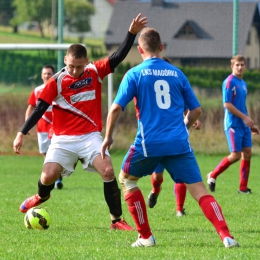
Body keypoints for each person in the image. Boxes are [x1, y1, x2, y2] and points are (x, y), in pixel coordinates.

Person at [101, 27, 239, 248]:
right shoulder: (177, 73)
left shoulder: (134, 74)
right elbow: (196, 110)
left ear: (140, 49)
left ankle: (145, 237)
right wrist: (184, 126)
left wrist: (108, 137)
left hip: (149, 144)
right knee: (200, 190)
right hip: (178, 143)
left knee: (127, 180)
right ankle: (226, 236)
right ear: (161, 47)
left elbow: (116, 108)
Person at [13, 13, 148, 231]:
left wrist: (131, 33)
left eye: (79, 66)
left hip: (90, 137)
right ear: (65, 60)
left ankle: (116, 220)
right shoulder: (56, 81)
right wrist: (22, 132)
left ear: (86, 61)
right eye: (71, 66)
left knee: (108, 172)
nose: (75, 71)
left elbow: (118, 56)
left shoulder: (95, 71)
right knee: (47, 177)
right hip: (63, 139)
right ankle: (41, 196)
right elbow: (39, 108)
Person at [207, 55, 259, 193]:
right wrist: (244, 118)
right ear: (232, 66)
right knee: (236, 155)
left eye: (242, 65)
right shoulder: (229, 82)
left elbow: (242, 105)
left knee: (247, 152)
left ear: (245, 66)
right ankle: (212, 175)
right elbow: (227, 104)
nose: (240, 67)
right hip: (233, 124)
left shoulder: (244, 84)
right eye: (237, 65)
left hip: (243, 124)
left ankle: (243, 188)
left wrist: (250, 122)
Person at [148, 117, 201, 217]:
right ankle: (155, 190)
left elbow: (188, 109)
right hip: (157, 141)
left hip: (175, 142)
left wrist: (193, 119)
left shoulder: (177, 100)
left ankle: (179, 209)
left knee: (180, 176)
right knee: (157, 176)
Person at [25, 65, 63, 189]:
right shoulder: (37, 91)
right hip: (42, 128)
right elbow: (30, 108)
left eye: (49, 73)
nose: (47, 75)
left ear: (53, 75)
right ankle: (53, 177)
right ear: (41, 76)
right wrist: (27, 125)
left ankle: (57, 178)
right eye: (45, 73)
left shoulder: (59, 89)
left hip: (58, 127)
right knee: (46, 154)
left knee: (57, 152)